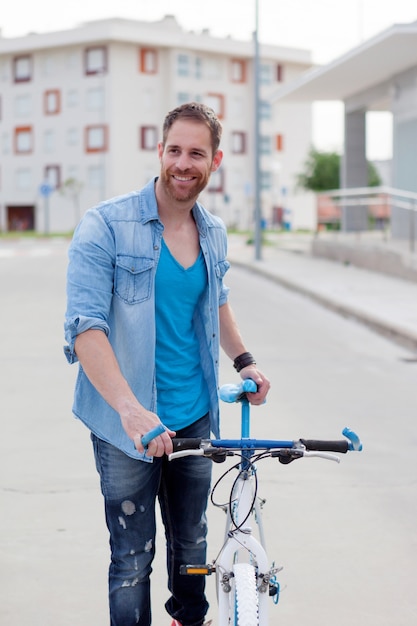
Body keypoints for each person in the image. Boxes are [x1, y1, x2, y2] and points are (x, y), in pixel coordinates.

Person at [64, 102, 270, 626]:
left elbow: (216, 301)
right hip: (125, 425)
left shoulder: (214, 232)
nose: (183, 162)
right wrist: (132, 411)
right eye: (174, 150)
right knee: (132, 559)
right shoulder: (105, 226)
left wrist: (244, 360)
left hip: (196, 414)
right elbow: (85, 327)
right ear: (159, 152)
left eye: (196, 153)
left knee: (192, 548)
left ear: (214, 161)